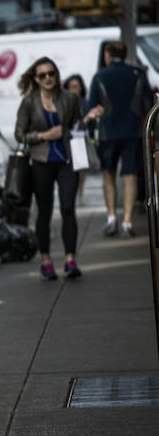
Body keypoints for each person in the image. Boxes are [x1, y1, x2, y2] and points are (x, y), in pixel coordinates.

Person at [15, 56, 82, 281]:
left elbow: (76, 125)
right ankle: (46, 260)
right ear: (35, 78)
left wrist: (89, 118)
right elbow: (19, 134)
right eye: (42, 75)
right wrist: (43, 135)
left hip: (66, 161)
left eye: (51, 73)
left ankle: (70, 259)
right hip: (40, 162)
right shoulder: (29, 102)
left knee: (68, 208)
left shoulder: (69, 98)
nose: (48, 78)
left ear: (56, 75)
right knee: (44, 212)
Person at [84, 41, 154, 239]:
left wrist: (90, 134)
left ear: (107, 54)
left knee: (108, 175)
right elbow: (148, 104)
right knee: (130, 176)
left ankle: (111, 218)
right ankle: (128, 221)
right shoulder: (138, 74)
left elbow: (92, 107)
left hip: (108, 132)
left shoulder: (99, 76)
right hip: (133, 132)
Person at [63, 74, 90, 203]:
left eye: (76, 87)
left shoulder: (84, 103)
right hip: (66, 139)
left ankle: (80, 193)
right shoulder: (63, 103)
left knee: (80, 170)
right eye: (71, 87)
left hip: (79, 139)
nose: (73, 90)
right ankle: (71, 194)